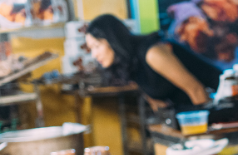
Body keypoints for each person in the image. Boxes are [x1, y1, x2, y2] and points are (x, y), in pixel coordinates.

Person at [86, 14, 221, 112]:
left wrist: (204, 134)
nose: (94, 54)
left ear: (113, 41)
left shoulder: (152, 53)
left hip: (222, 100)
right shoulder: (129, 64)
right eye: (91, 49)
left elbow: (196, 90)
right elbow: (157, 104)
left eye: (97, 46)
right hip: (188, 115)